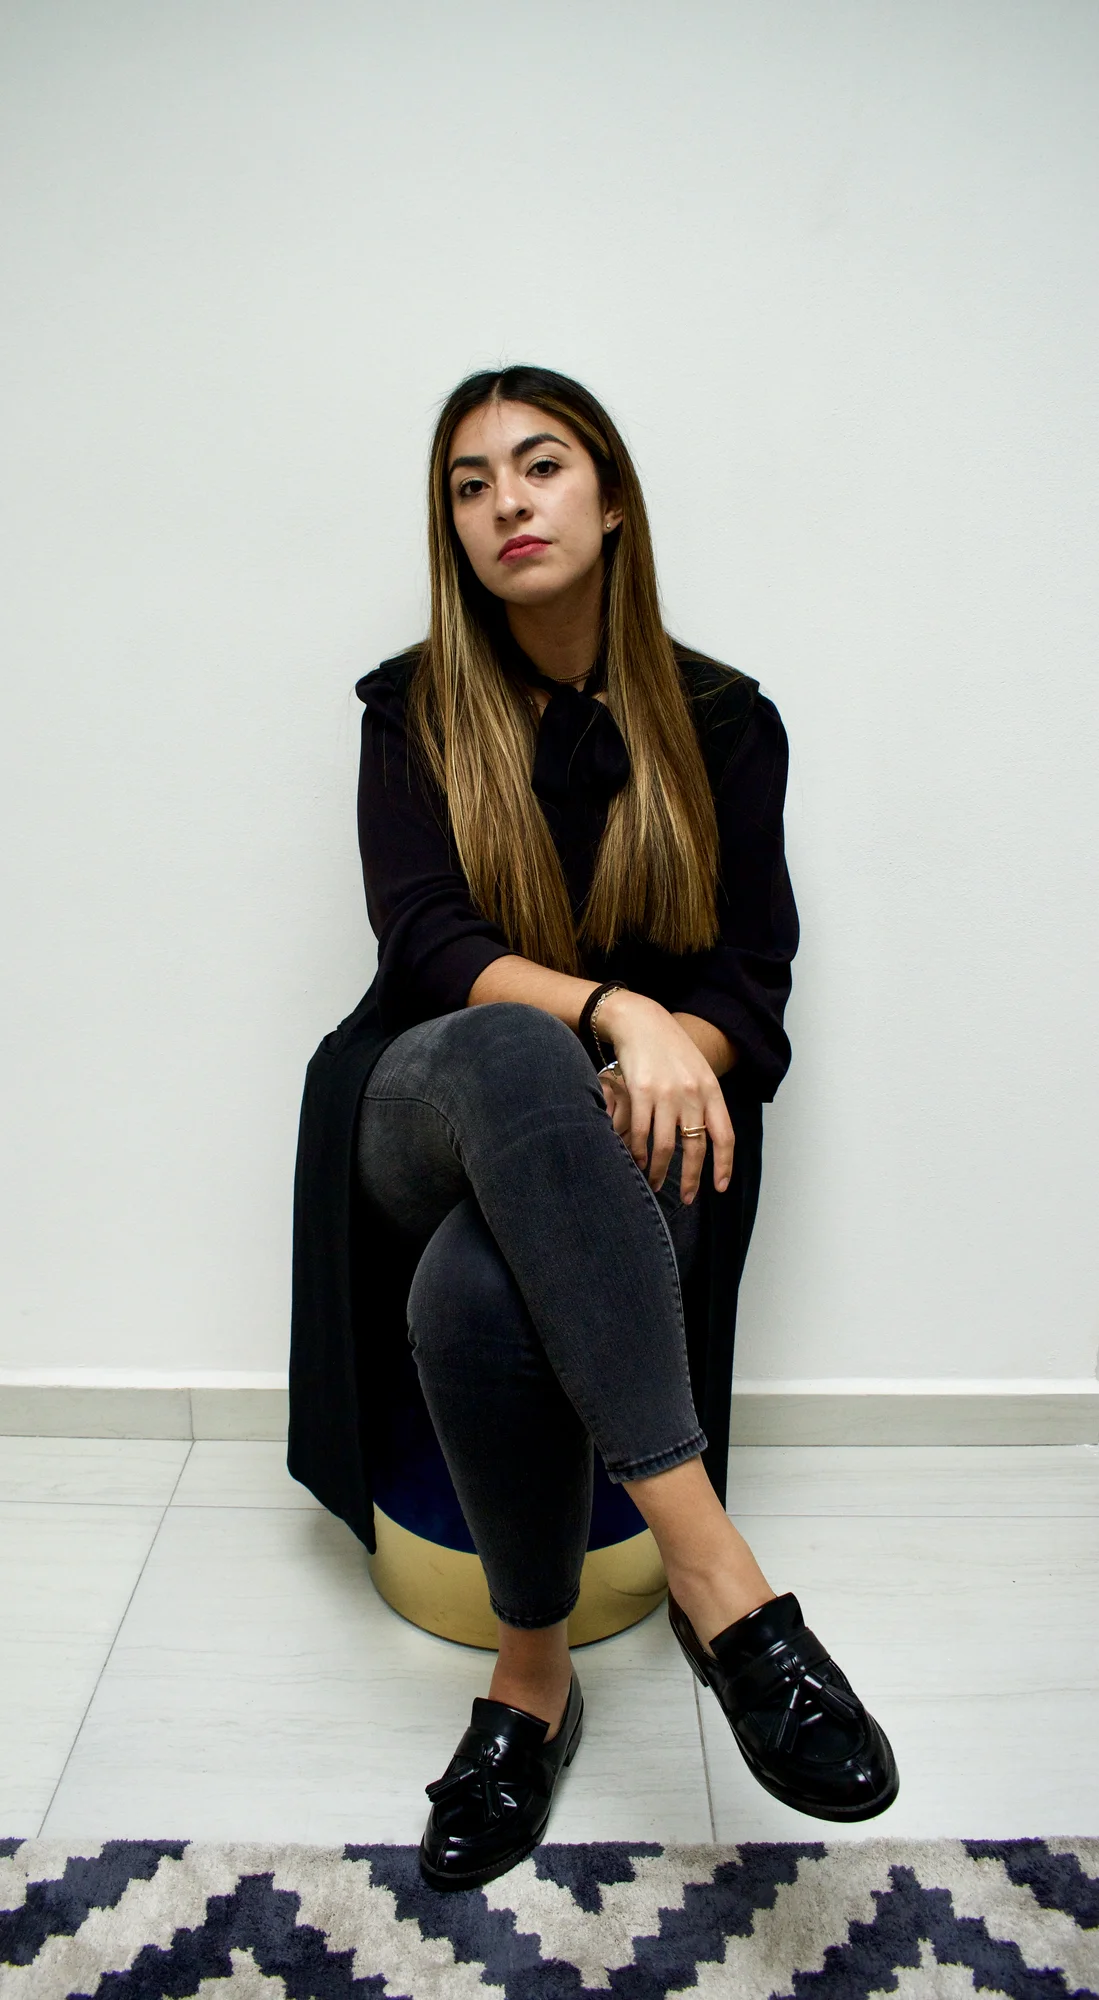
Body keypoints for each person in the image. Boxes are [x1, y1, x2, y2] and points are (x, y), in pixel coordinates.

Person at [287, 364, 898, 1893]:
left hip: (623, 1125)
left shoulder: (723, 723)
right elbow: (426, 935)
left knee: (477, 1294)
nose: (506, 504)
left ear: (610, 498)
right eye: (470, 484)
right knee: (509, 1043)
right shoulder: (412, 707)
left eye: (538, 466)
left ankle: (528, 1684)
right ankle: (726, 1592)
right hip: (421, 1100)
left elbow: (752, 983)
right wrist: (616, 1018)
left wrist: (664, 1057)